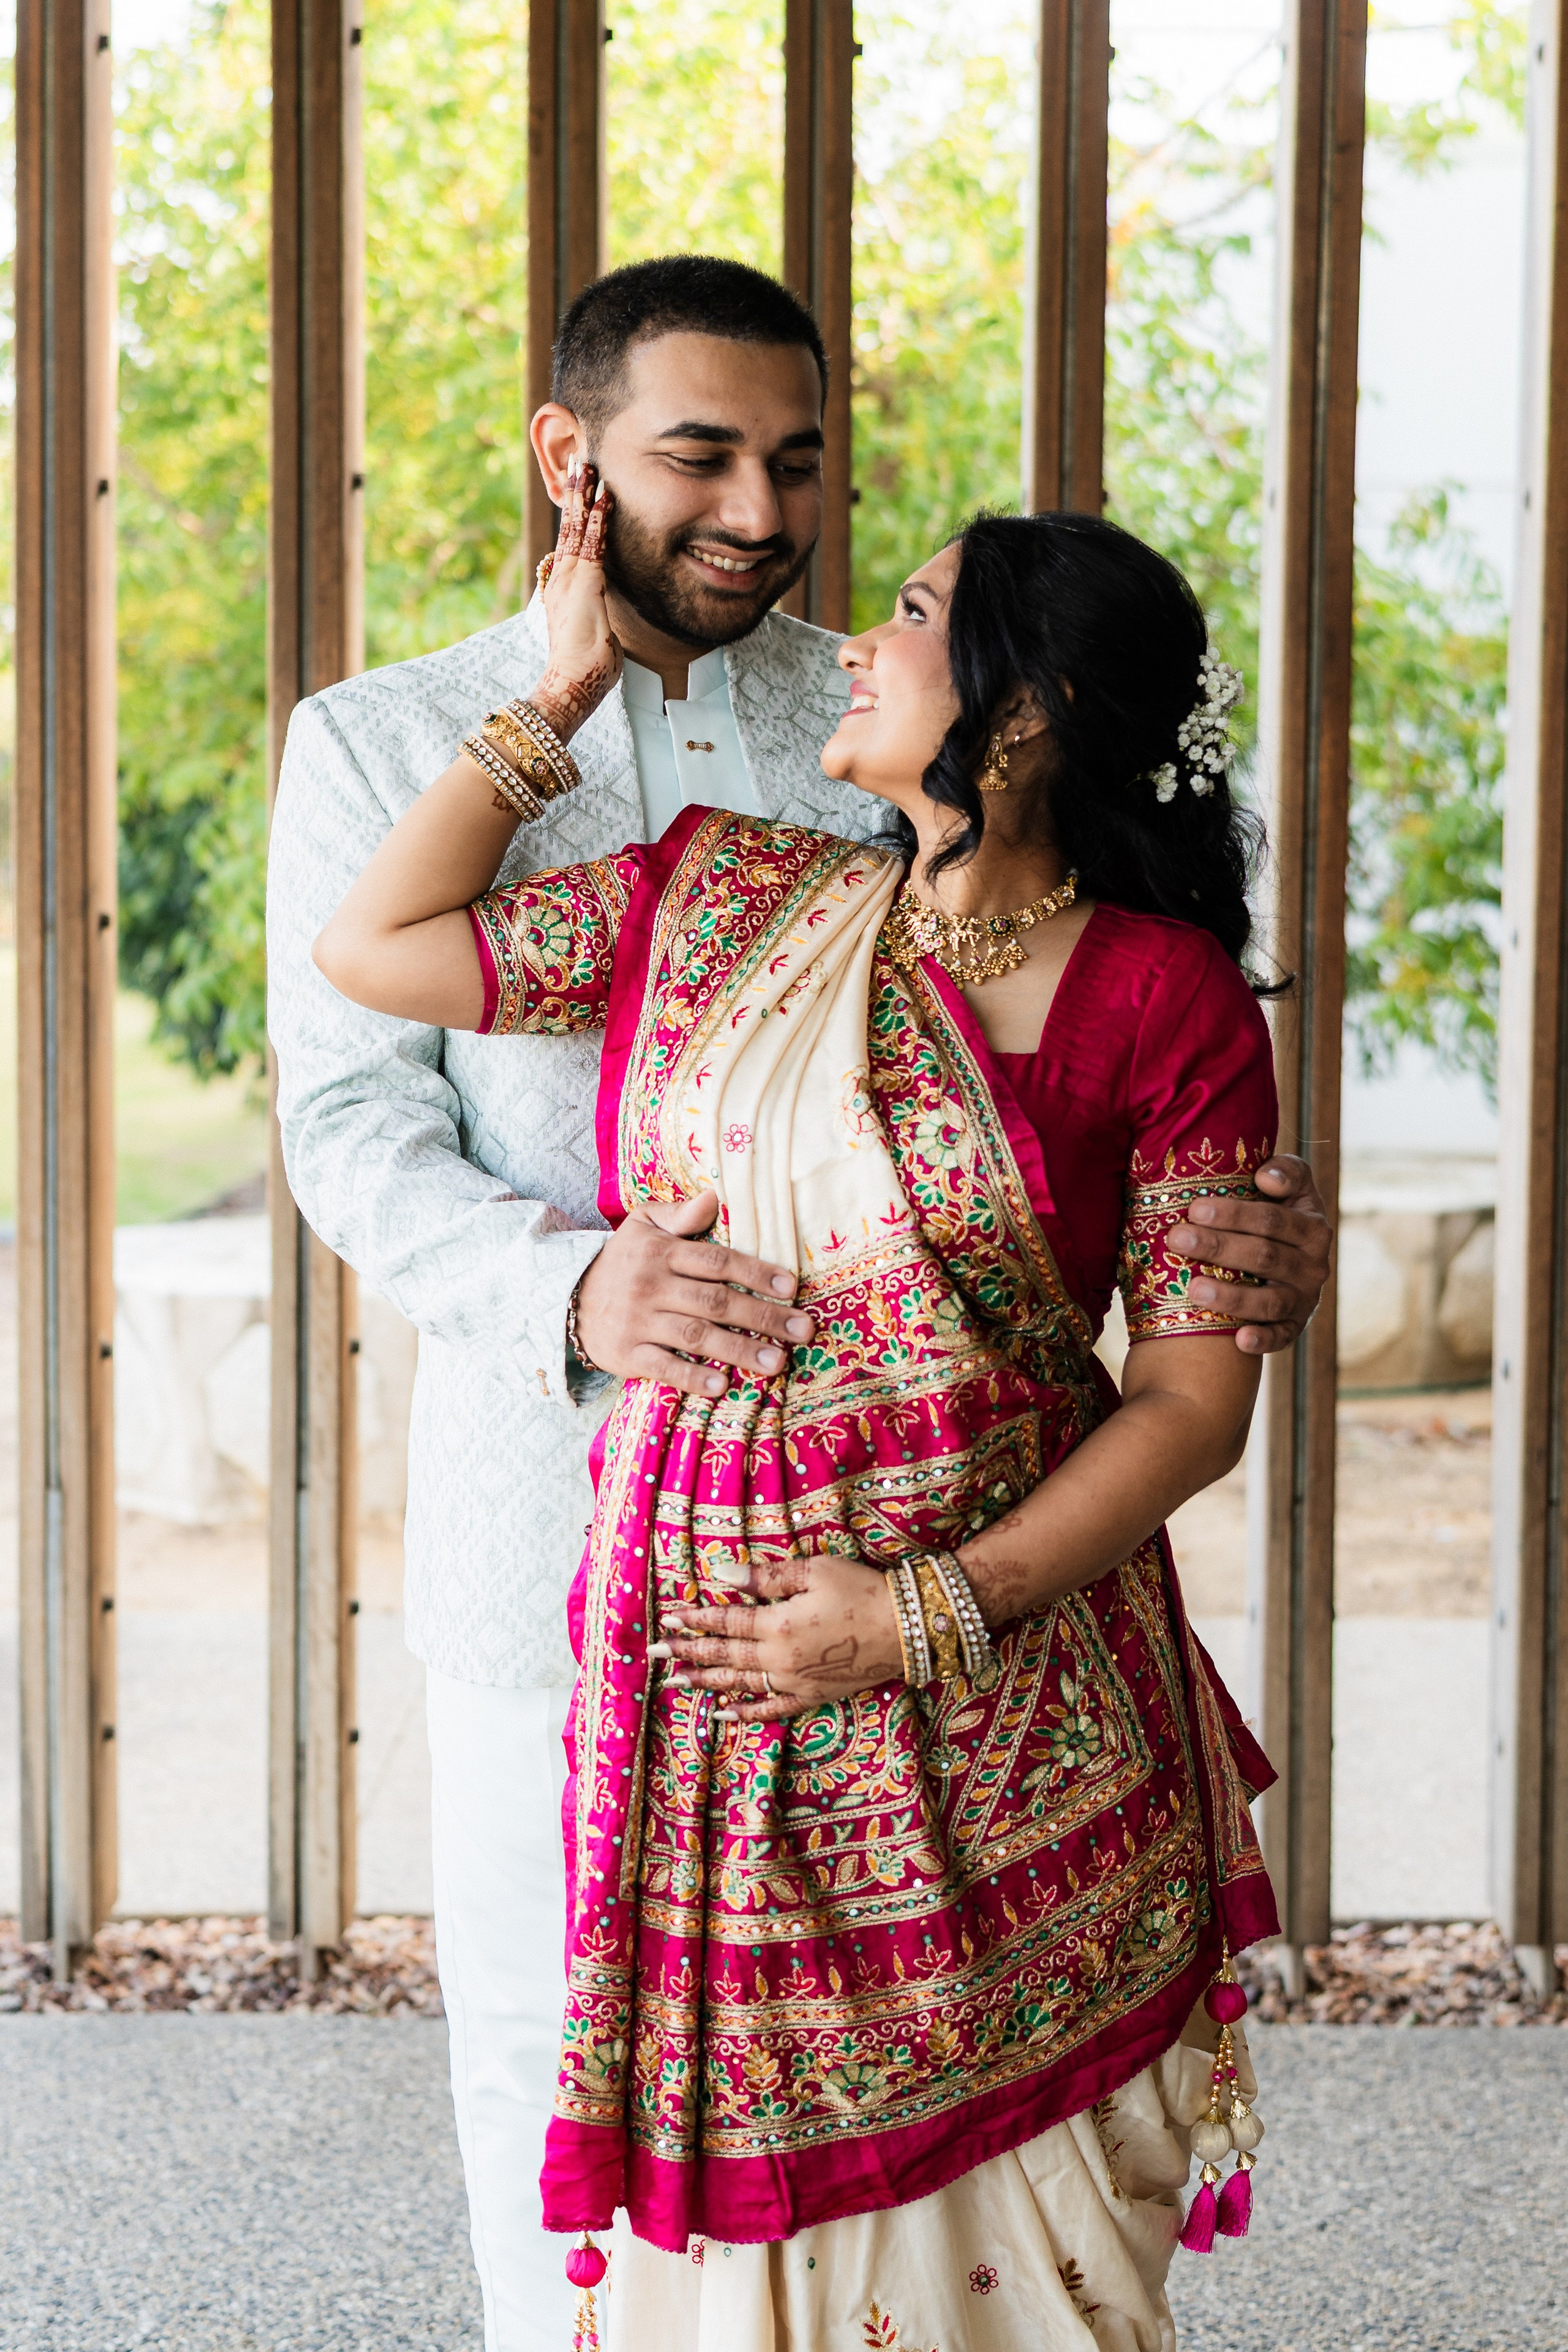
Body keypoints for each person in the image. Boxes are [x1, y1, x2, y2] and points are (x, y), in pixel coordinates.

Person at [268, 254, 1331, 2350]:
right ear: (569, 460)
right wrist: (585, 1285)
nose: (763, 511)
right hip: (553, 1534)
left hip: (938, 1568)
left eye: (799, 463)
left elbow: (1065, 1049)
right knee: (553, 2075)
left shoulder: (870, 724)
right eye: (700, 458)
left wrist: (1225, 1239)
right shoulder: (386, 742)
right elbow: (352, 1126)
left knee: (952, 2105)